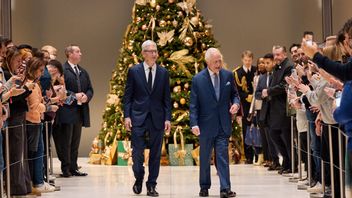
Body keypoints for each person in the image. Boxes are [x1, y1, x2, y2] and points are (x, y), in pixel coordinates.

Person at [123, 40, 171, 197]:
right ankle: (139, 177)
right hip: (138, 117)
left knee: (156, 154)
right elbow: (128, 96)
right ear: (143, 53)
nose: (154, 54)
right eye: (151, 51)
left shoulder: (163, 72)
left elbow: (166, 99)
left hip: (157, 118)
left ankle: (151, 185)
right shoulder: (134, 71)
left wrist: (168, 119)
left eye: (155, 51)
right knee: (137, 154)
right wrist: (127, 116)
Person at [190, 48, 240, 198]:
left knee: (223, 157)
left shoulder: (228, 75)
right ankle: (204, 187)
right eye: (215, 62)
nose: (218, 64)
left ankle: (225, 188)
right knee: (205, 158)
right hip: (205, 126)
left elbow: (235, 94)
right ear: (208, 62)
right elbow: (193, 104)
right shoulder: (198, 79)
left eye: (219, 61)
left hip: (223, 123)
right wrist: (194, 123)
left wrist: (236, 104)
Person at [53, 44, 93, 177]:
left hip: (79, 110)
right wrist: (74, 95)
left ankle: (74, 167)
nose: (80, 54)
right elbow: (58, 87)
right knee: (66, 141)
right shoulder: (63, 70)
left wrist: (86, 96)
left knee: (75, 140)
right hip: (67, 110)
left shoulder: (83, 71)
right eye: (77, 51)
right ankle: (66, 168)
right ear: (69, 54)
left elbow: (90, 89)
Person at [262, 46, 293, 174]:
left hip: (283, 108)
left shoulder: (289, 67)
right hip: (275, 108)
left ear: (284, 54)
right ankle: (286, 161)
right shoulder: (277, 67)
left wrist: (268, 91)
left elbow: (284, 86)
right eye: (275, 55)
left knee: (286, 138)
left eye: (279, 54)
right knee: (274, 134)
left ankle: (291, 164)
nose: (276, 57)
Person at [233, 50, 256, 164]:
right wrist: (247, 96)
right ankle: (248, 156)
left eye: (249, 60)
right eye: (246, 60)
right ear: (242, 60)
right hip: (245, 105)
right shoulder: (237, 73)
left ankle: (259, 154)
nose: (247, 62)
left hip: (256, 104)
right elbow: (236, 91)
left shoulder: (256, 70)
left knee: (257, 128)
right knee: (246, 129)